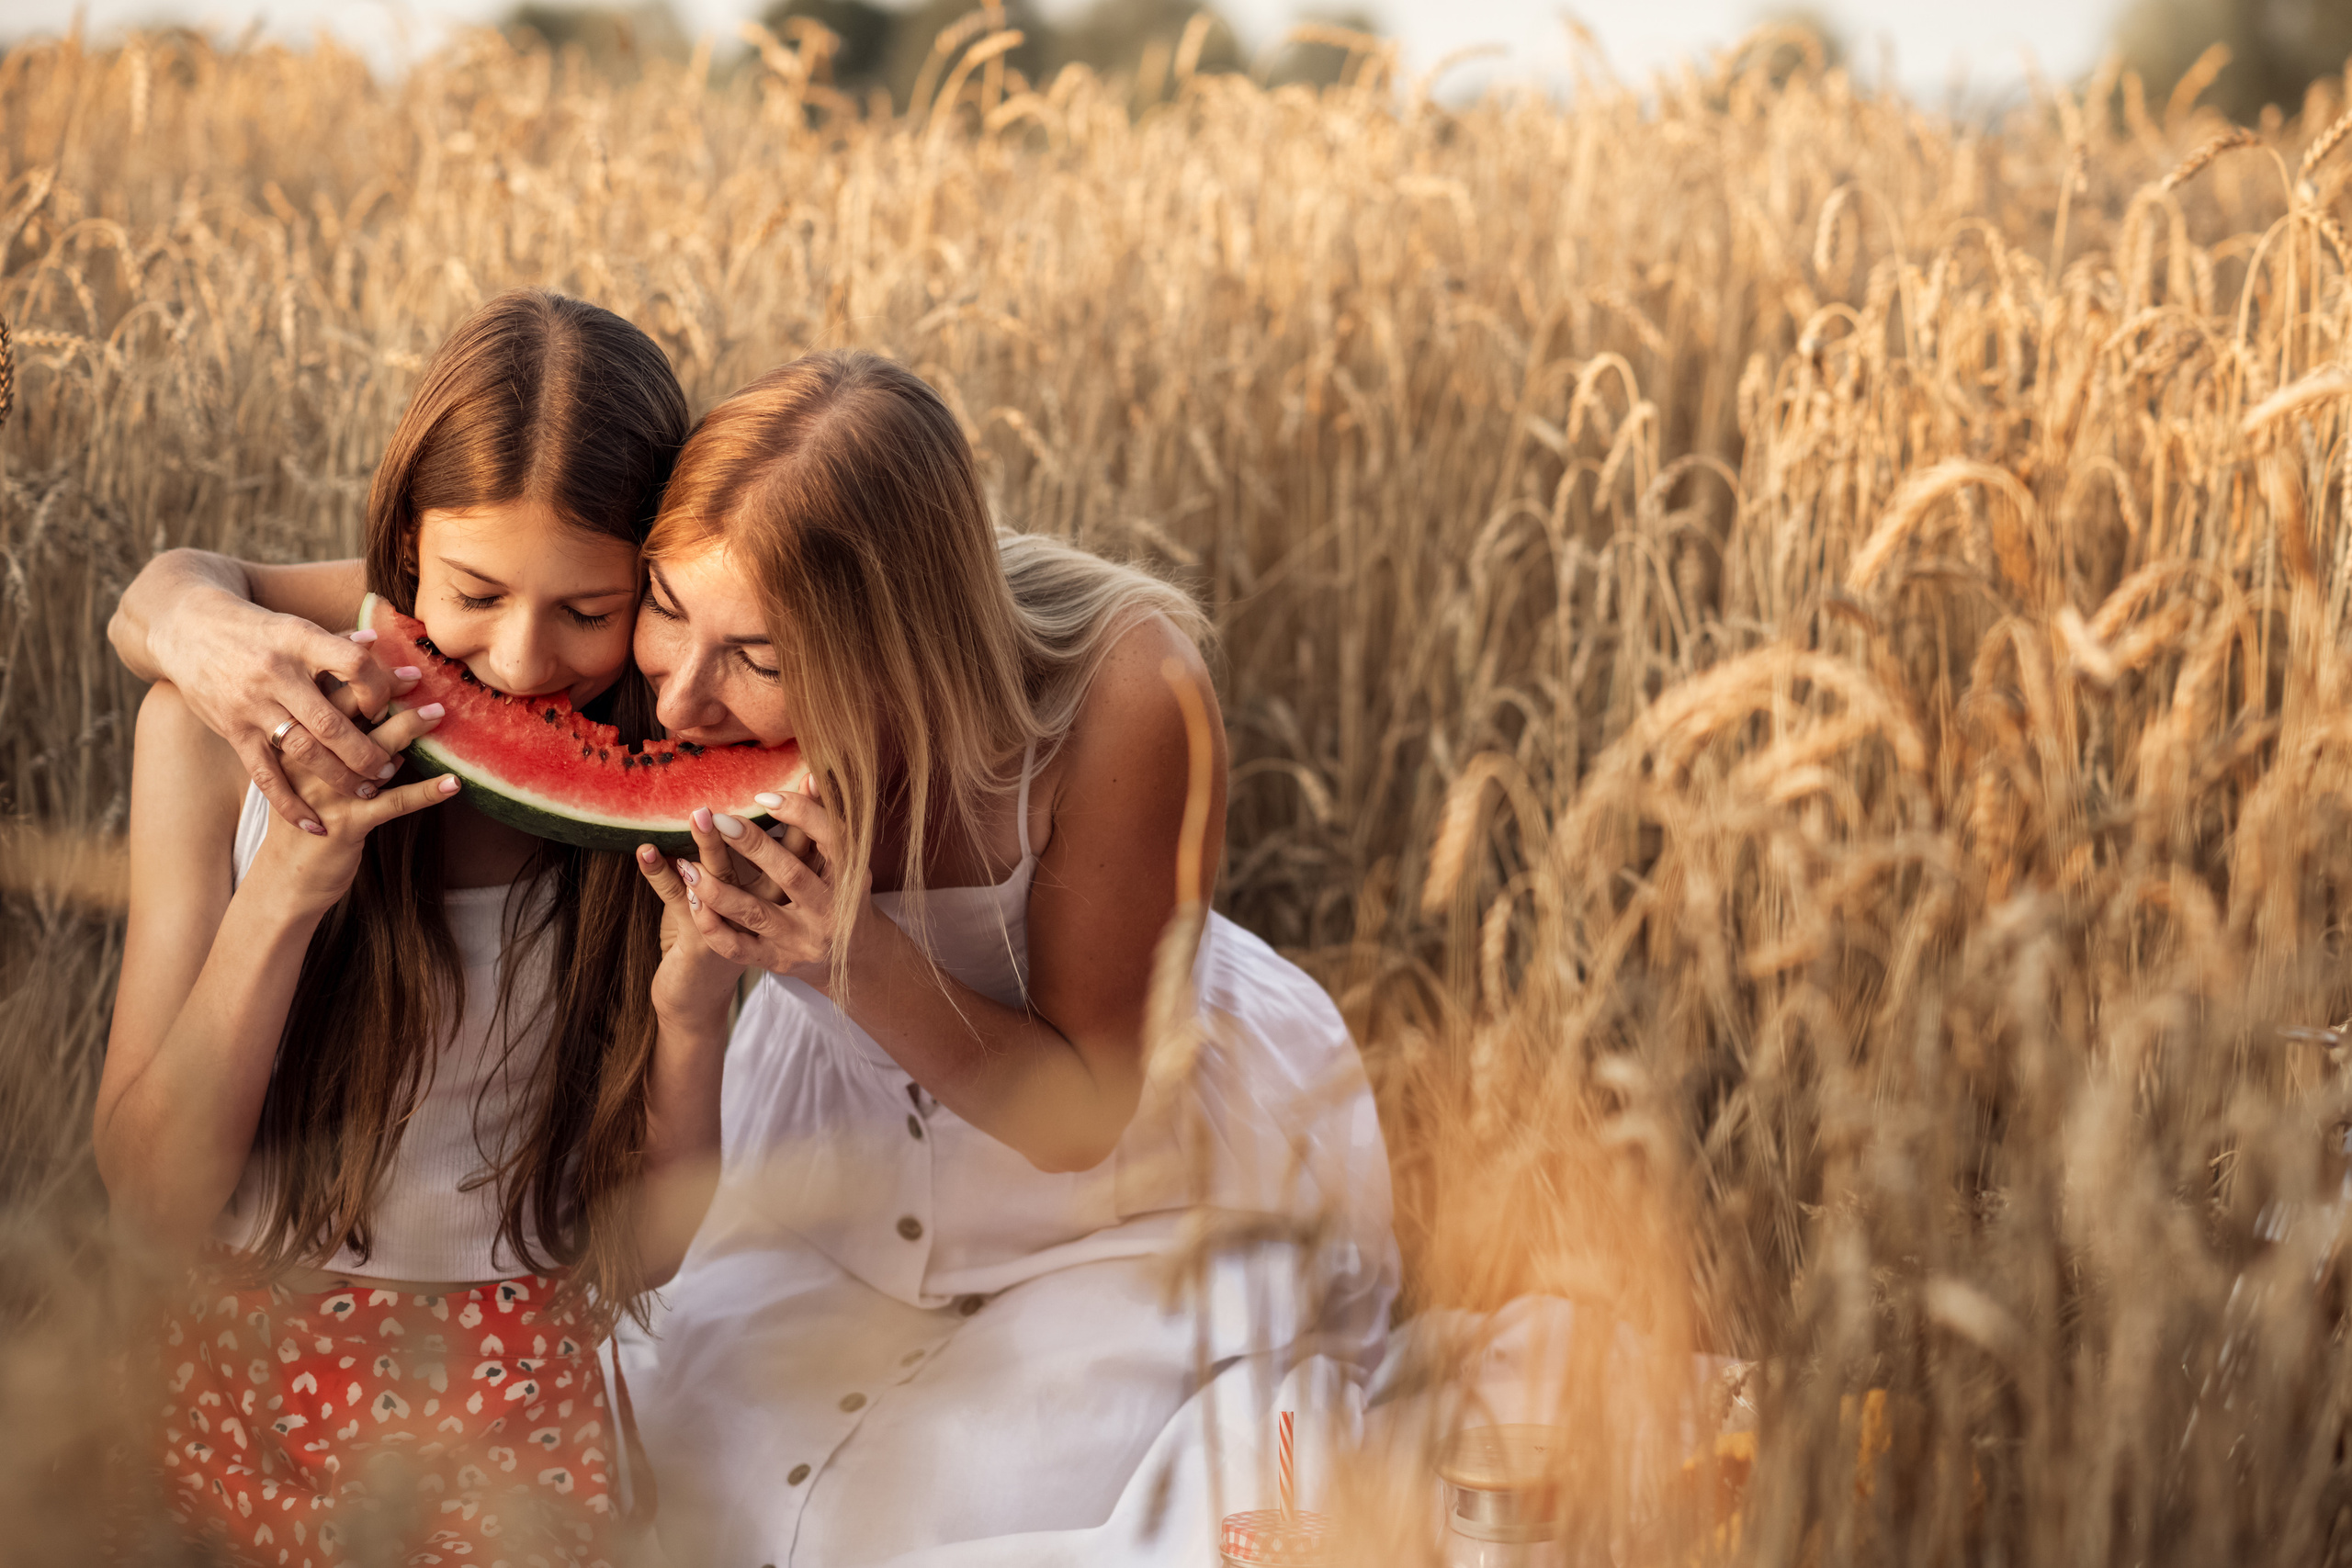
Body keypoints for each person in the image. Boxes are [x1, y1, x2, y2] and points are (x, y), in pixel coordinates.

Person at [111, 349, 1398, 1566]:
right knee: (707, 1492)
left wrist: (848, 961)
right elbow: (304, 597)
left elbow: (1084, 1115)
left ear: (892, 653)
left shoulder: (1127, 691)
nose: (672, 704)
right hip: (829, 1150)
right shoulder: (591, 624)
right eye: (665, 611)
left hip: (1122, 1184)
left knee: (986, 1517)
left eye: (762, 662)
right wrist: (185, 624)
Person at [96, 289, 742, 1565]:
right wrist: (287, 888)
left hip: (522, 1421)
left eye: (588, 611)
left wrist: (693, 1007)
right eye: (475, 592)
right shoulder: (205, 743)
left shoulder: (672, 792)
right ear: (401, 545)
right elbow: (149, 1200)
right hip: (236, 1389)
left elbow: (649, 1256)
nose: (514, 662)